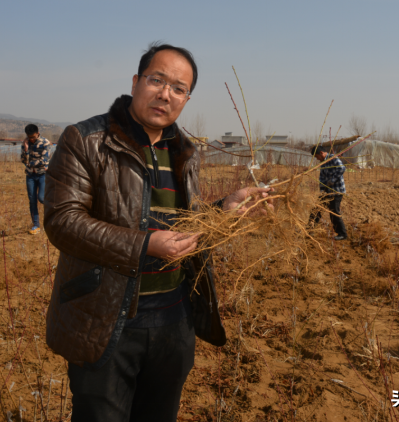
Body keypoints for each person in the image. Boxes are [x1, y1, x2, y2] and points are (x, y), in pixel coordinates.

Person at [43, 43, 270, 422]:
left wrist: (225, 211)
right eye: (157, 80)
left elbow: (184, 225)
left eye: (179, 88)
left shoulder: (185, 150)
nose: (166, 94)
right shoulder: (86, 140)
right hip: (106, 320)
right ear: (136, 82)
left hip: (173, 322)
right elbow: (63, 222)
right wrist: (145, 244)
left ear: (187, 98)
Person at [309, 145, 348, 240]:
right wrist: (322, 190)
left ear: (321, 153)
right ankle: (310, 230)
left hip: (336, 191)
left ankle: (342, 234)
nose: (317, 159)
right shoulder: (323, 162)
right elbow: (322, 177)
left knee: (334, 212)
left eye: (317, 156)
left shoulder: (333, 158)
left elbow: (342, 168)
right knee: (317, 209)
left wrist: (332, 180)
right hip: (327, 192)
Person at [20, 124, 51, 235]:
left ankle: (53, 218)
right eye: (29, 137)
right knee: (32, 201)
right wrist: (26, 150)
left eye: (33, 137)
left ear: (38, 133)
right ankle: (36, 225)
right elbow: (23, 160)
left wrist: (30, 163)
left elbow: (44, 161)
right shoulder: (26, 143)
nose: (31, 139)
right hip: (30, 176)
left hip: (43, 175)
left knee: (42, 198)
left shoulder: (45, 143)